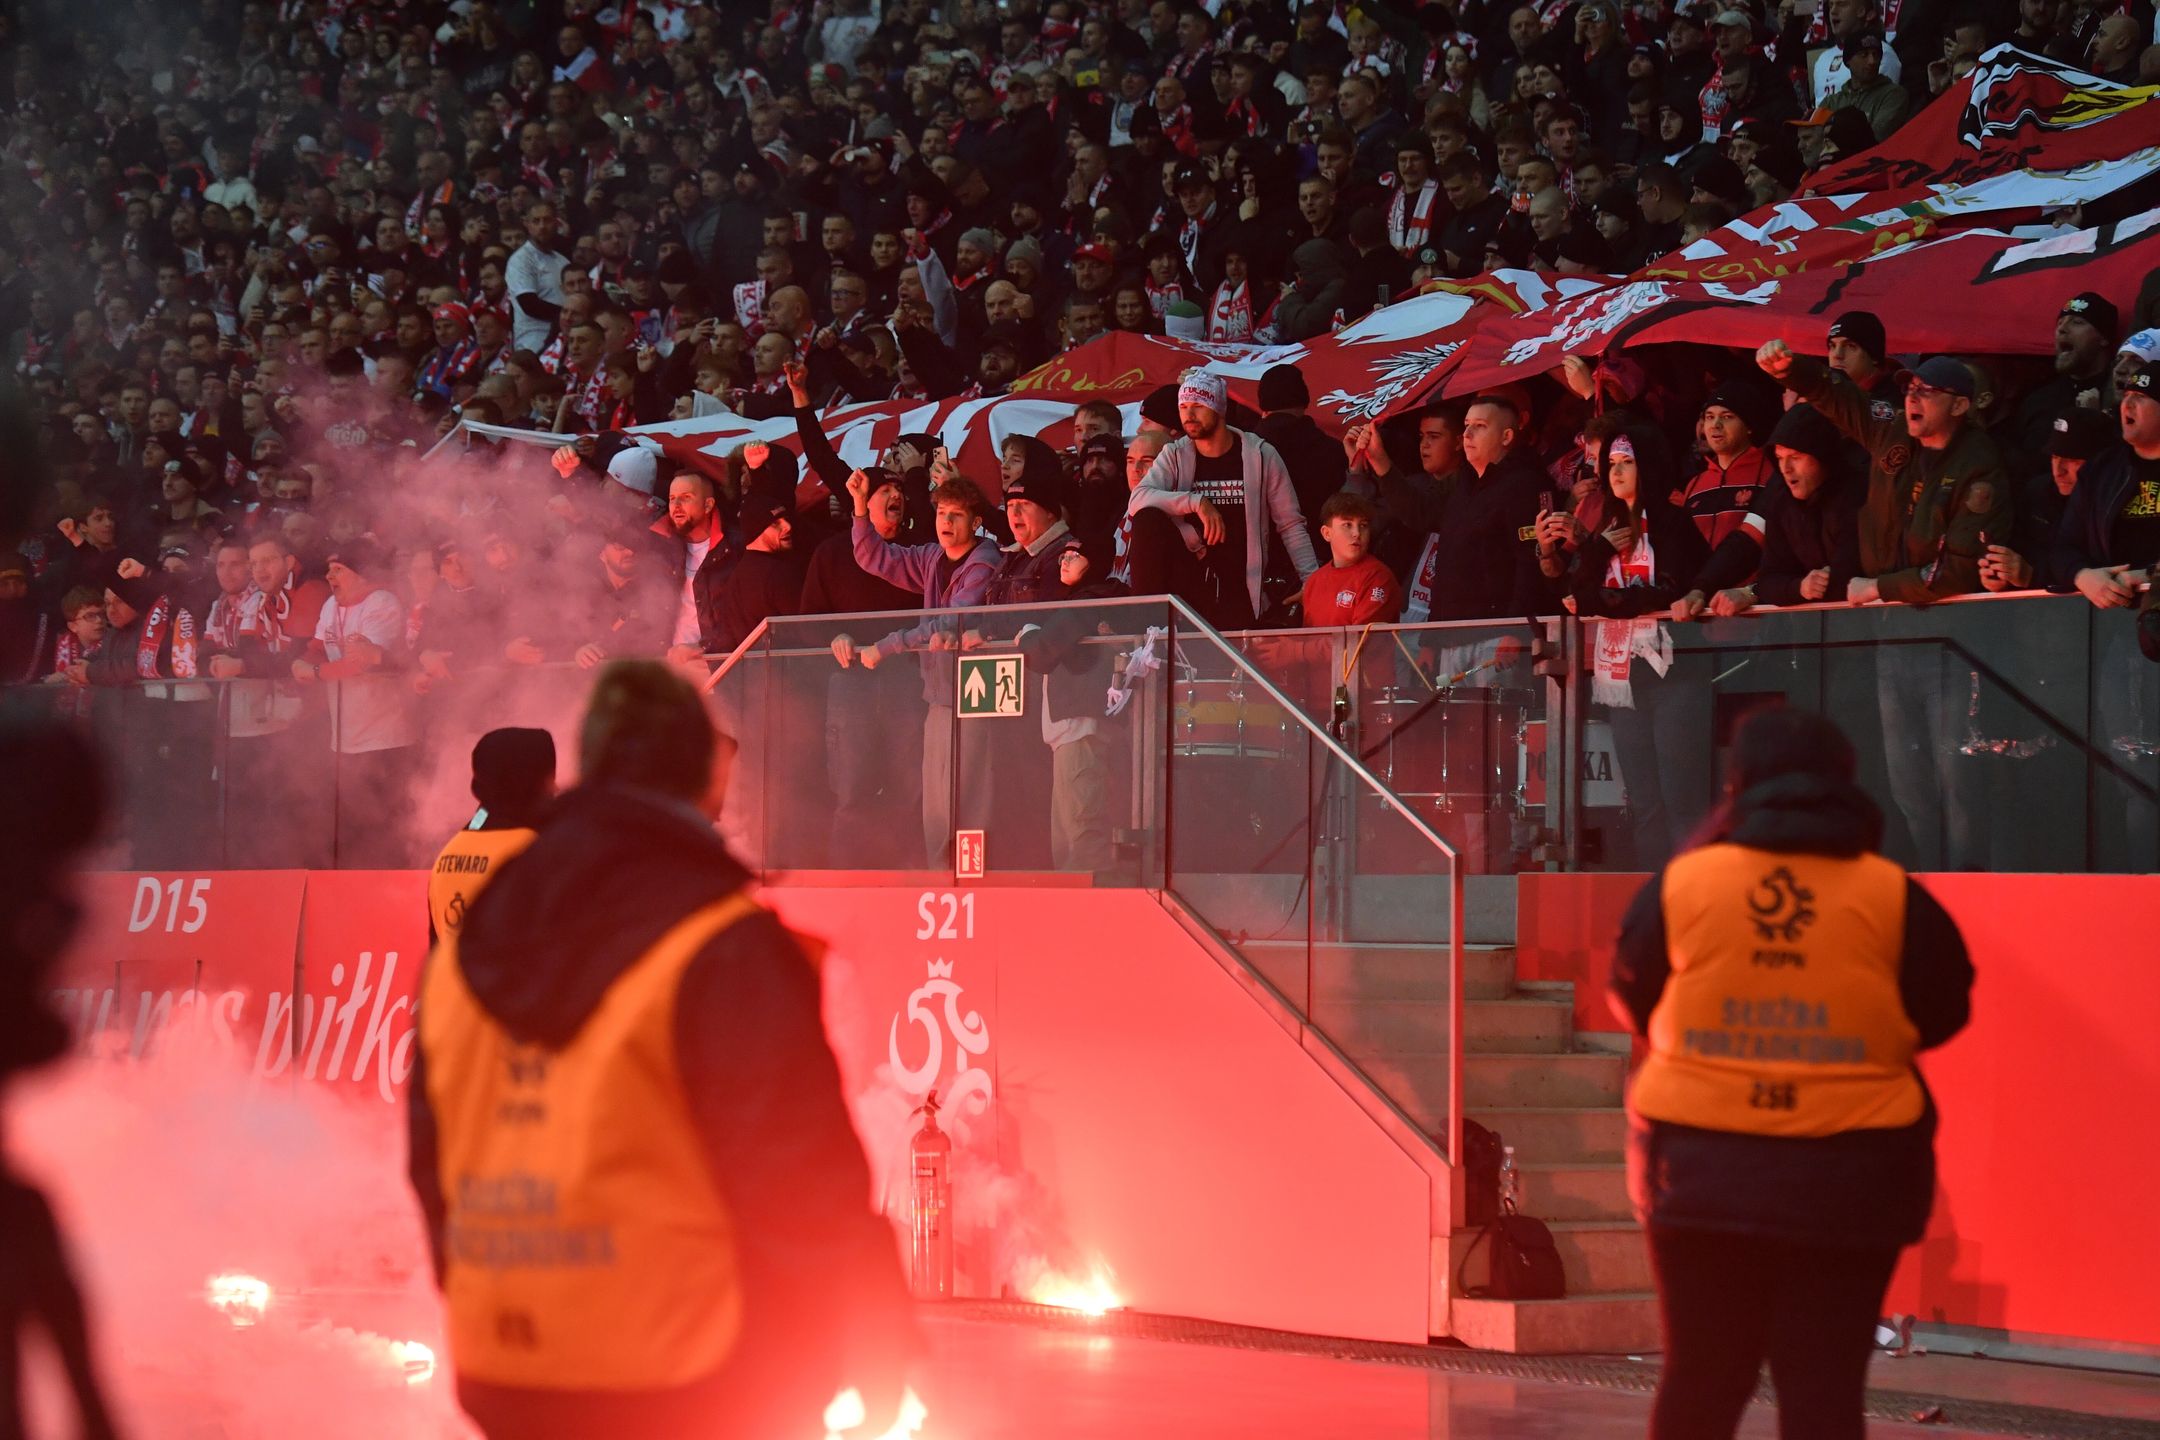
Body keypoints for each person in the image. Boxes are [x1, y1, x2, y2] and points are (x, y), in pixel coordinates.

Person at [410, 660, 912, 1440]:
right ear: (704, 781)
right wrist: (870, 1334)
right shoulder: (720, 944)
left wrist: (493, 1295)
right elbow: (799, 1171)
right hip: (680, 1373)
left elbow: (430, 1156)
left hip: (506, 1364)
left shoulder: (464, 955)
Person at [1610, 706, 1972, 1440]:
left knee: (1703, 1378)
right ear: (1847, 782)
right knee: (1825, 1391)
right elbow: (1943, 1011)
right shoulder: (1891, 894)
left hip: (1701, 1174)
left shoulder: (1684, 884)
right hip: (1852, 1179)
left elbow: (1630, 997)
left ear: (1736, 783)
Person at [1568, 428, 1711, 866]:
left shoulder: (1671, 522)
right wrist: (1596, 553)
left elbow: (1668, 592)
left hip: (1675, 675)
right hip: (1622, 680)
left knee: (1682, 797)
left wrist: (1607, 602)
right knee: (1644, 800)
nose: (1616, 472)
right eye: (1610, 464)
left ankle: (1692, 892)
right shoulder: (1606, 528)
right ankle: (1653, 888)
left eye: (1626, 462)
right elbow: (1577, 595)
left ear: (1646, 467)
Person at [848, 472, 1002, 866]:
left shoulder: (985, 562)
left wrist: (887, 646)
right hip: (940, 695)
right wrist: (860, 507)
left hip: (976, 695)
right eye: (941, 513)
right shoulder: (933, 557)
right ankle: (942, 876)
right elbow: (873, 557)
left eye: (956, 515)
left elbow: (952, 621)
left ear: (976, 522)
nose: (946, 522)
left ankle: (970, 876)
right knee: (937, 797)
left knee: (968, 796)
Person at [1124, 368, 1319, 627]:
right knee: (1147, 519)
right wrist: (1196, 502)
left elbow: (1291, 524)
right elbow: (1137, 501)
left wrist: (1312, 582)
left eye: (1198, 406)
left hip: (1243, 587)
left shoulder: (1260, 454)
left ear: (1219, 408)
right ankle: (1148, 632)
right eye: (1183, 407)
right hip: (1193, 580)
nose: (1189, 415)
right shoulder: (1175, 454)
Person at [427, 727, 558, 944]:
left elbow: (436, 951)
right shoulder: (540, 853)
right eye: (549, 778)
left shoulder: (447, 855)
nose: (555, 788)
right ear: (530, 782)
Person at [1300, 492, 1401, 626]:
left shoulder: (1378, 577)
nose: (1357, 533)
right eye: (1347, 525)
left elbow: (1362, 637)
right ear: (1327, 533)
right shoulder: (1314, 581)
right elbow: (1307, 635)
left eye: (1363, 525)